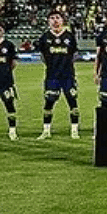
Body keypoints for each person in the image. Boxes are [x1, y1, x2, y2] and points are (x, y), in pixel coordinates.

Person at [35, 10, 80, 139]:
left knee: (72, 102)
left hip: (67, 76)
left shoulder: (69, 36)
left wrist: (66, 65)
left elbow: (75, 55)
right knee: (49, 102)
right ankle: (46, 131)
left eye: (57, 18)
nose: (55, 20)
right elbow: (42, 56)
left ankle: (74, 131)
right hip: (52, 76)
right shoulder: (45, 37)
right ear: (48, 21)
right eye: (52, 18)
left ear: (62, 20)